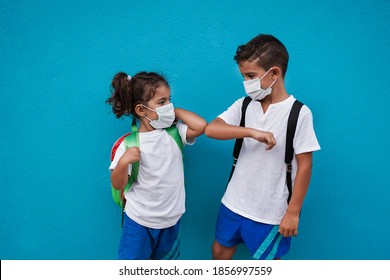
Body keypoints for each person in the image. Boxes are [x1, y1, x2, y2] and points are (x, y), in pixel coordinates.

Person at [205, 34, 321, 260]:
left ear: (274, 73)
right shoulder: (245, 105)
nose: (247, 83)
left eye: (251, 76)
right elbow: (212, 129)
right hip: (233, 202)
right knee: (219, 251)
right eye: (243, 77)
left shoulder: (299, 113)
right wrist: (250, 131)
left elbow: (305, 165)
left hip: (270, 211)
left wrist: (293, 212)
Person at [107, 71, 207, 260]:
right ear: (141, 110)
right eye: (162, 103)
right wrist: (123, 162)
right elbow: (118, 184)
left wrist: (174, 112)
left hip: (171, 221)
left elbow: (200, 126)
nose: (168, 106)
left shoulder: (174, 133)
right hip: (138, 222)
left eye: (169, 100)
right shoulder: (128, 145)